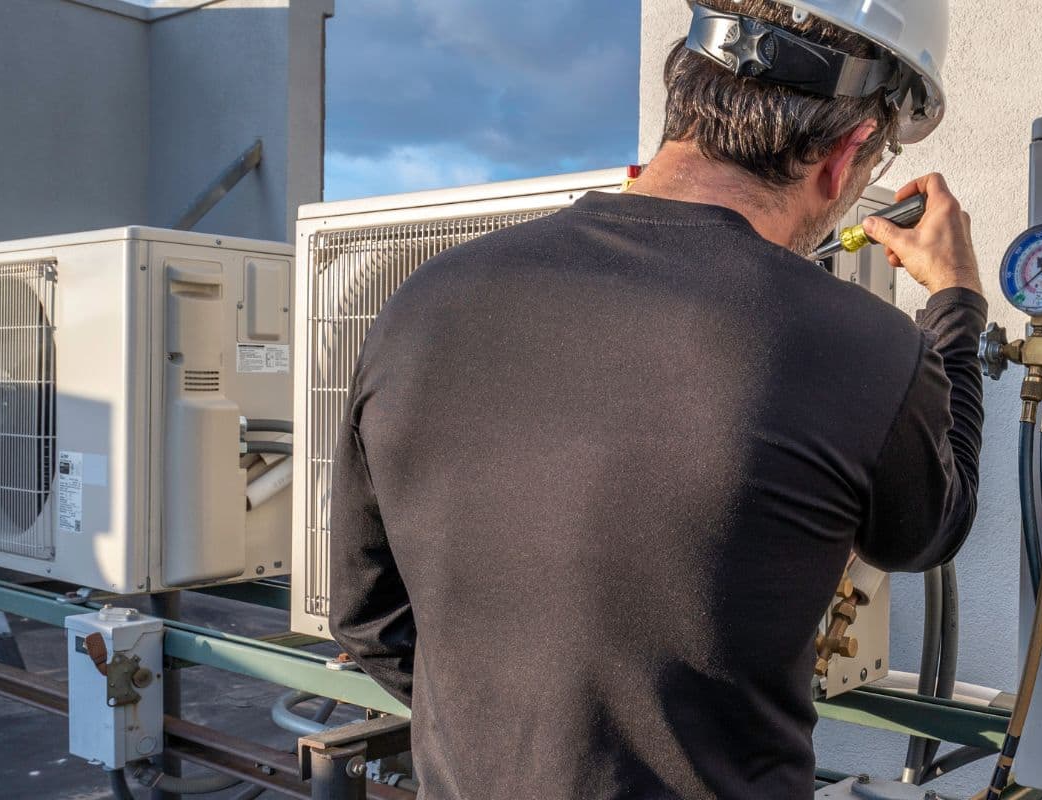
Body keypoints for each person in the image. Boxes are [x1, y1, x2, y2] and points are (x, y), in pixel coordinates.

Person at [329, 1, 979, 796]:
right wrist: (955, 302)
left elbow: (369, 622)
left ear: (685, 94)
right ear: (844, 156)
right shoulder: (865, 345)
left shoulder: (425, 301)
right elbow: (927, 531)